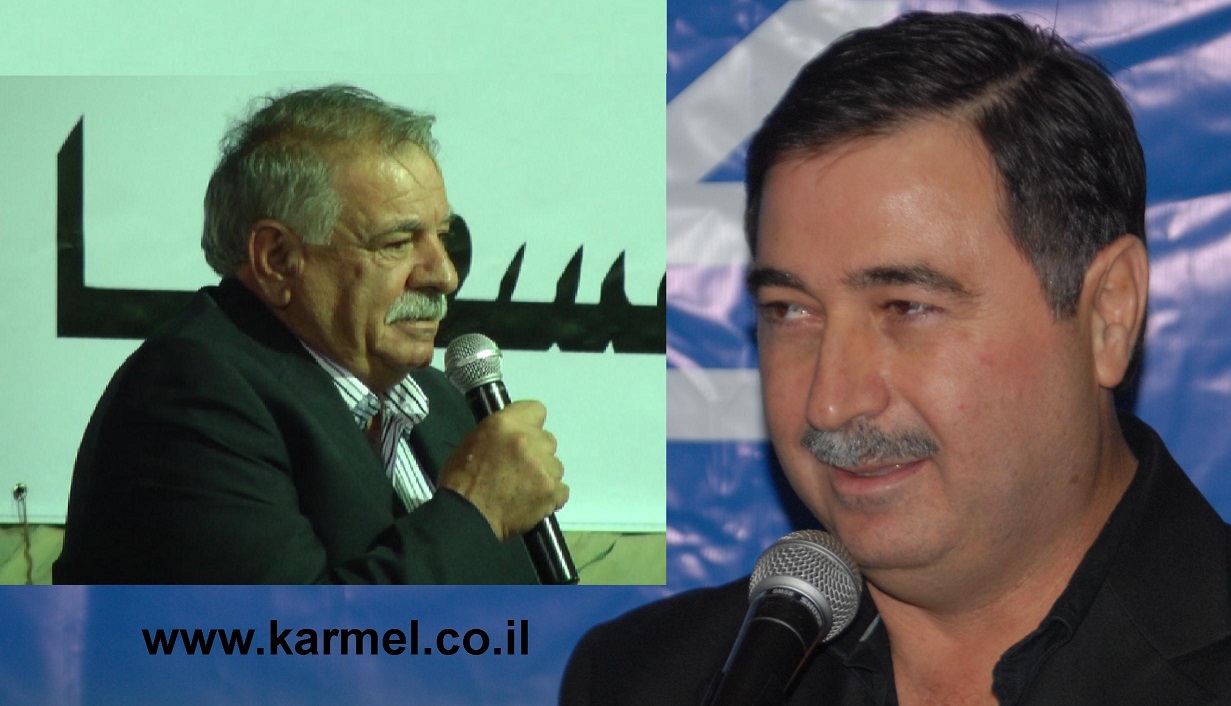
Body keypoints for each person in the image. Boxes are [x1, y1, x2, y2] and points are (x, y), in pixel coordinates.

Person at [563, 11, 1230, 704]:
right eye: (790, 310)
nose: (829, 402)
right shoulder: (641, 681)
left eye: (906, 306)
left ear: (1106, 316)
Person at [53, 85, 568, 584]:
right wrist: (477, 512)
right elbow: (285, 634)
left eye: (442, 237)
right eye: (397, 242)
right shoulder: (190, 394)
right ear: (278, 259)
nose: (445, 275)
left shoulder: (441, 402)